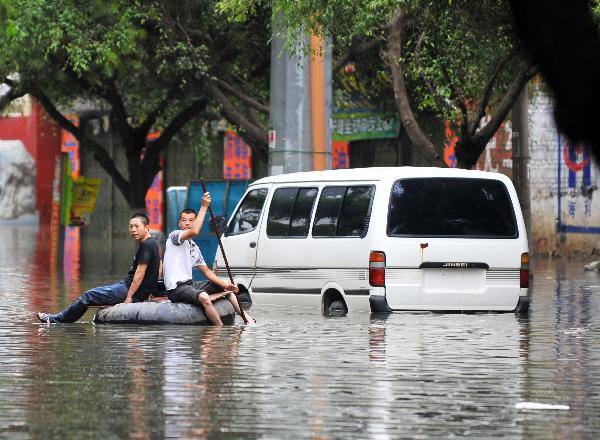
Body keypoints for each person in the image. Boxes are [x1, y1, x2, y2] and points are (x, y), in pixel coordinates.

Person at [36, 213, 161, 323]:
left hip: (127, 289)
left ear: (146, 227)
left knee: (88, 296)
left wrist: (129, 298)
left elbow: (139, 274)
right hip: (130, 288)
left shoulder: (147, 246)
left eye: (137, 226)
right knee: (92, 294)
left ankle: (55, 319)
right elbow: (159, 267)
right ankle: (60, 318)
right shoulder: (153, 244)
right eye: (130, 226)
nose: (133, 230)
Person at [163, 193, 254, 325]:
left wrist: (225, 285)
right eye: (184, 220)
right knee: (204, 297)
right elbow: (194, 231)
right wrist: (204, 207)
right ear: (179, 223)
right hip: (175, 289)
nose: (187, 223)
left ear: (195, 221)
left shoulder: (194, 247)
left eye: (191, 220)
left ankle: (247, 319)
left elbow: (207, 272)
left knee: (224, 287)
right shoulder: (175, 236)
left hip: (188, 285)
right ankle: (220, 330)